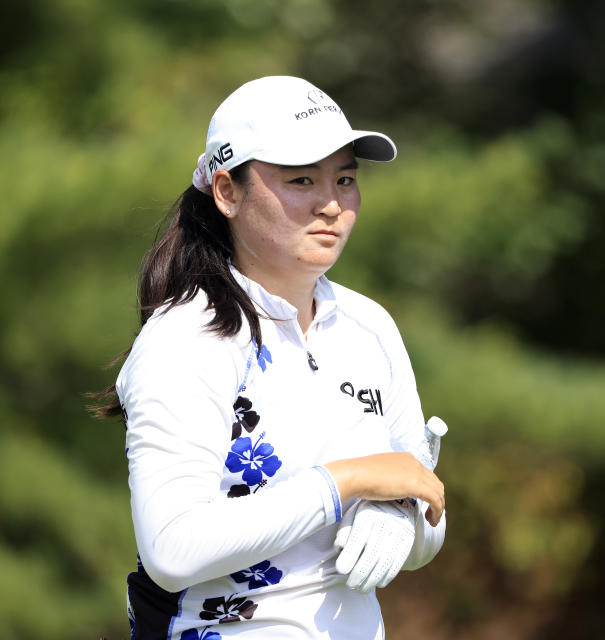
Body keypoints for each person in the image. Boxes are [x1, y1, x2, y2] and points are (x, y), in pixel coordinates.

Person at [96, 76, 446, 639]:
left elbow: (424, 504)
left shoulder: (371, 326)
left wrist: (399, 516)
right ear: (227, 191)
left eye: (346, 179)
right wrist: (348, 483)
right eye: (301, 179)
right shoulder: (187, 337)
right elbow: (172, 548)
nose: (331, 203)